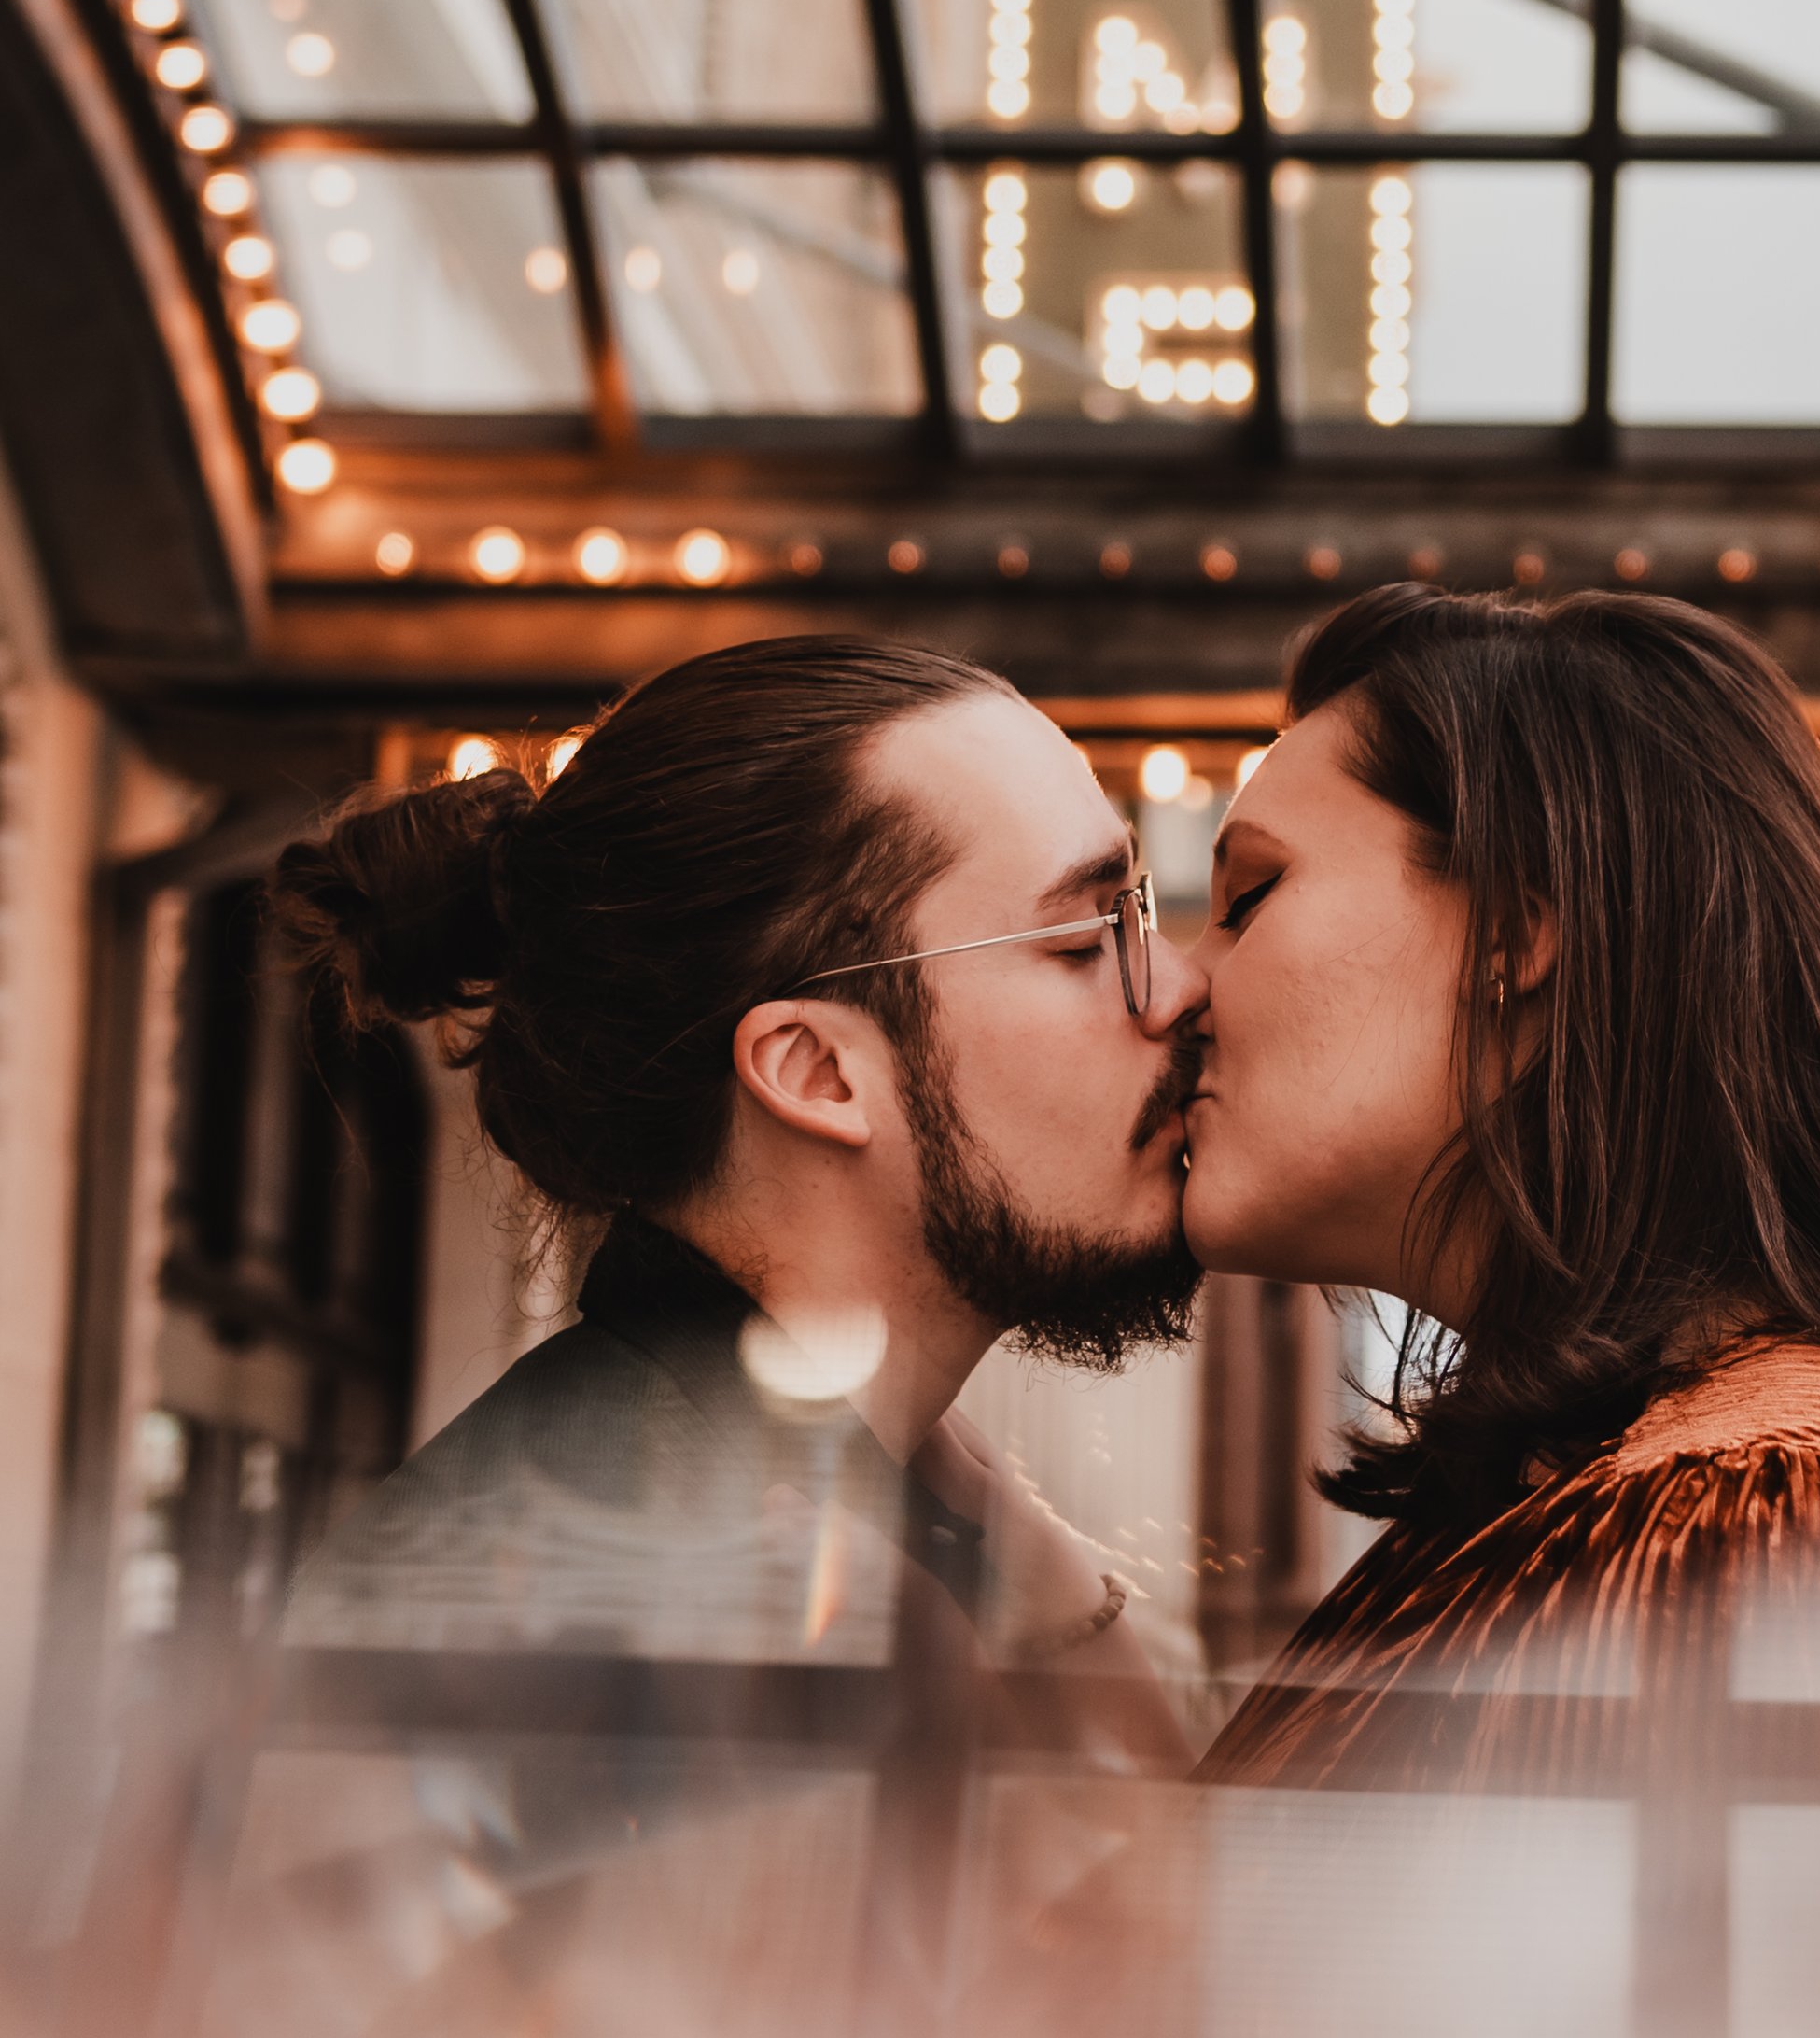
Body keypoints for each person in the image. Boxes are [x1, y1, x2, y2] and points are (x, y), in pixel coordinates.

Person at [1184, 583, 1820, 1789]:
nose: (1180, 985)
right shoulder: (1650, 1497)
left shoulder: (1767, 1529)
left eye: (1246, 899)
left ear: (1512, 931)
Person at [272, 633, 1206, 1694]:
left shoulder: (837, 1510)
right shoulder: (652, 1593)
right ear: (815, 1069)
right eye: (1086, 939)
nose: (1179, 987)